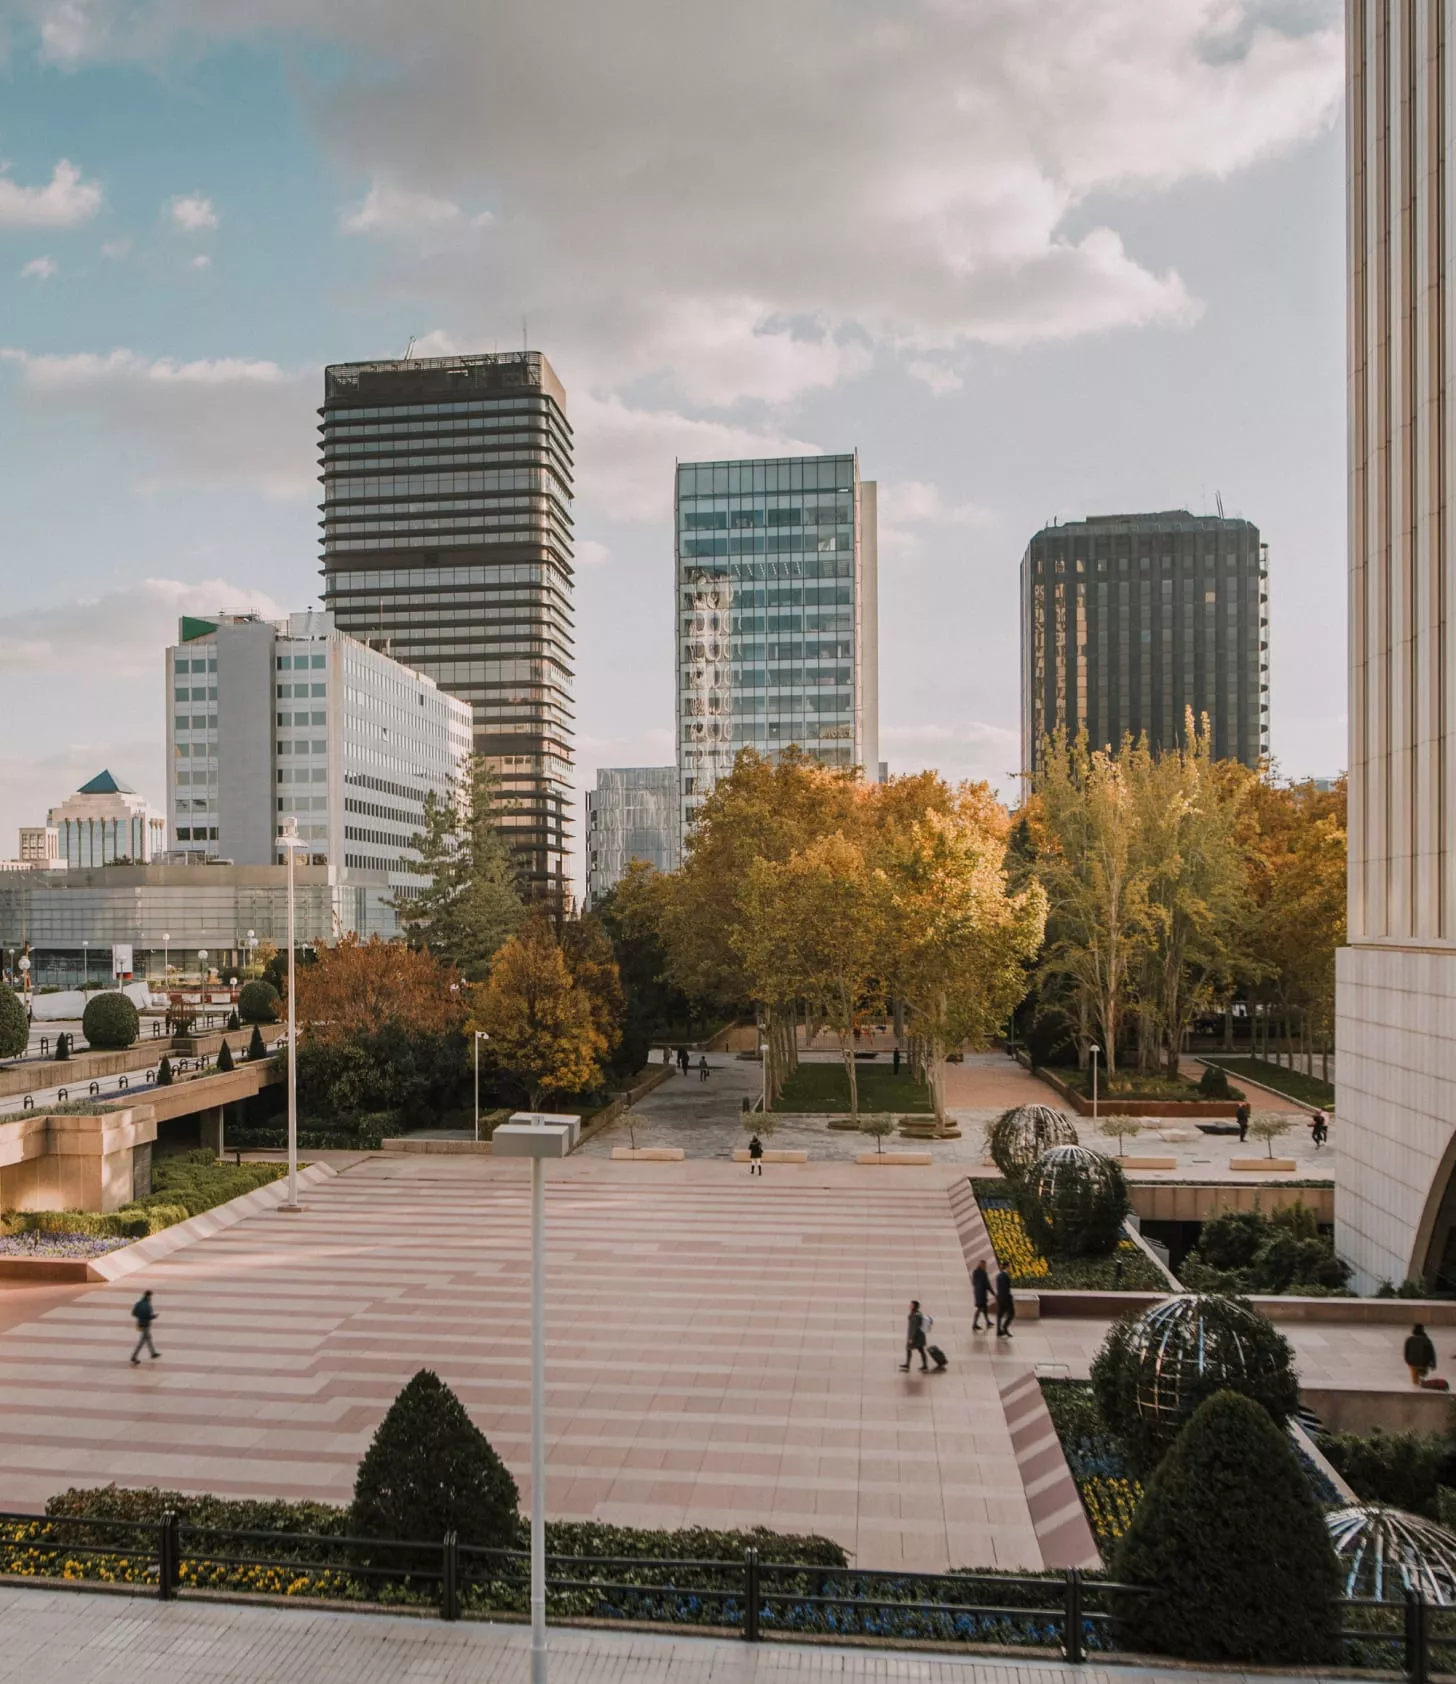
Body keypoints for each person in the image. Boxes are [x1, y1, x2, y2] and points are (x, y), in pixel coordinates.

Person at [130, 1290, 160, 1364]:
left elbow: (134, 1313)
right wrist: (154, 1316)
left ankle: (153, 1353)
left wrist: (140, 1317)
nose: (151, 1298)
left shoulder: (139, 1303)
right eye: (151, 1296)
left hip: (140, 1323)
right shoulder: (147, 1305)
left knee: (148, 1338)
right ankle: (134, 1356)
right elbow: (148, 1316)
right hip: (146, 1325)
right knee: (142, 1341)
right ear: (148, 1296)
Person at [900, 1299, 930, 1372]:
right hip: (919, 1336)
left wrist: (911, 1338)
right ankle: (924, 1365)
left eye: (911, 1305)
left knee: (911, 1349)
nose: (909, 1306)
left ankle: (908, 1364)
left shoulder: (915, 1316)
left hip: (916, 1337)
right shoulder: (917, 1313)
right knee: (919, 1350)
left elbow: (914, 1328)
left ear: (914, 1306)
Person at [1406, 1322, 1437, 1387]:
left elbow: (1406, 1352)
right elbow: (1432, 1353)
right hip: (1423, 1363)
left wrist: (1408, 1361)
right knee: (1422, 1374)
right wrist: (1433, 1364)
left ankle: (1416, 1384)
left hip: (1412, 1363)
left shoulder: (1409, 1340)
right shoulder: (1426, 1340)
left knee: (1415, 1379)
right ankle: (1421, 1379)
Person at [971, 1259, 992, 1332]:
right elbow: (987, 1284)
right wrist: (993, 1292)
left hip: (978, 1293)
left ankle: (988, 1322)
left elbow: (973, 1282)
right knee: (980, 1308)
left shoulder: (975, 1272)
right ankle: (974, 1324)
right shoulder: (983, 1273)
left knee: (984, 1308)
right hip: (982, 1294)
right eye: (985, 1265)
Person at [994, 1267, 1015, 1338]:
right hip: (1006, 1299)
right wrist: (1009, 1297)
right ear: (1007, 1267)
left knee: (999, 1315)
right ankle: (1005, 1327)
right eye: (1010, 1267)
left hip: (1000, 1298)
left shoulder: (998, 1276)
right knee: (1011, 1313)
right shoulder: (1006, 1276)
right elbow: (1006, 1289)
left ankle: (998, 1331)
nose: (1010, 1269)